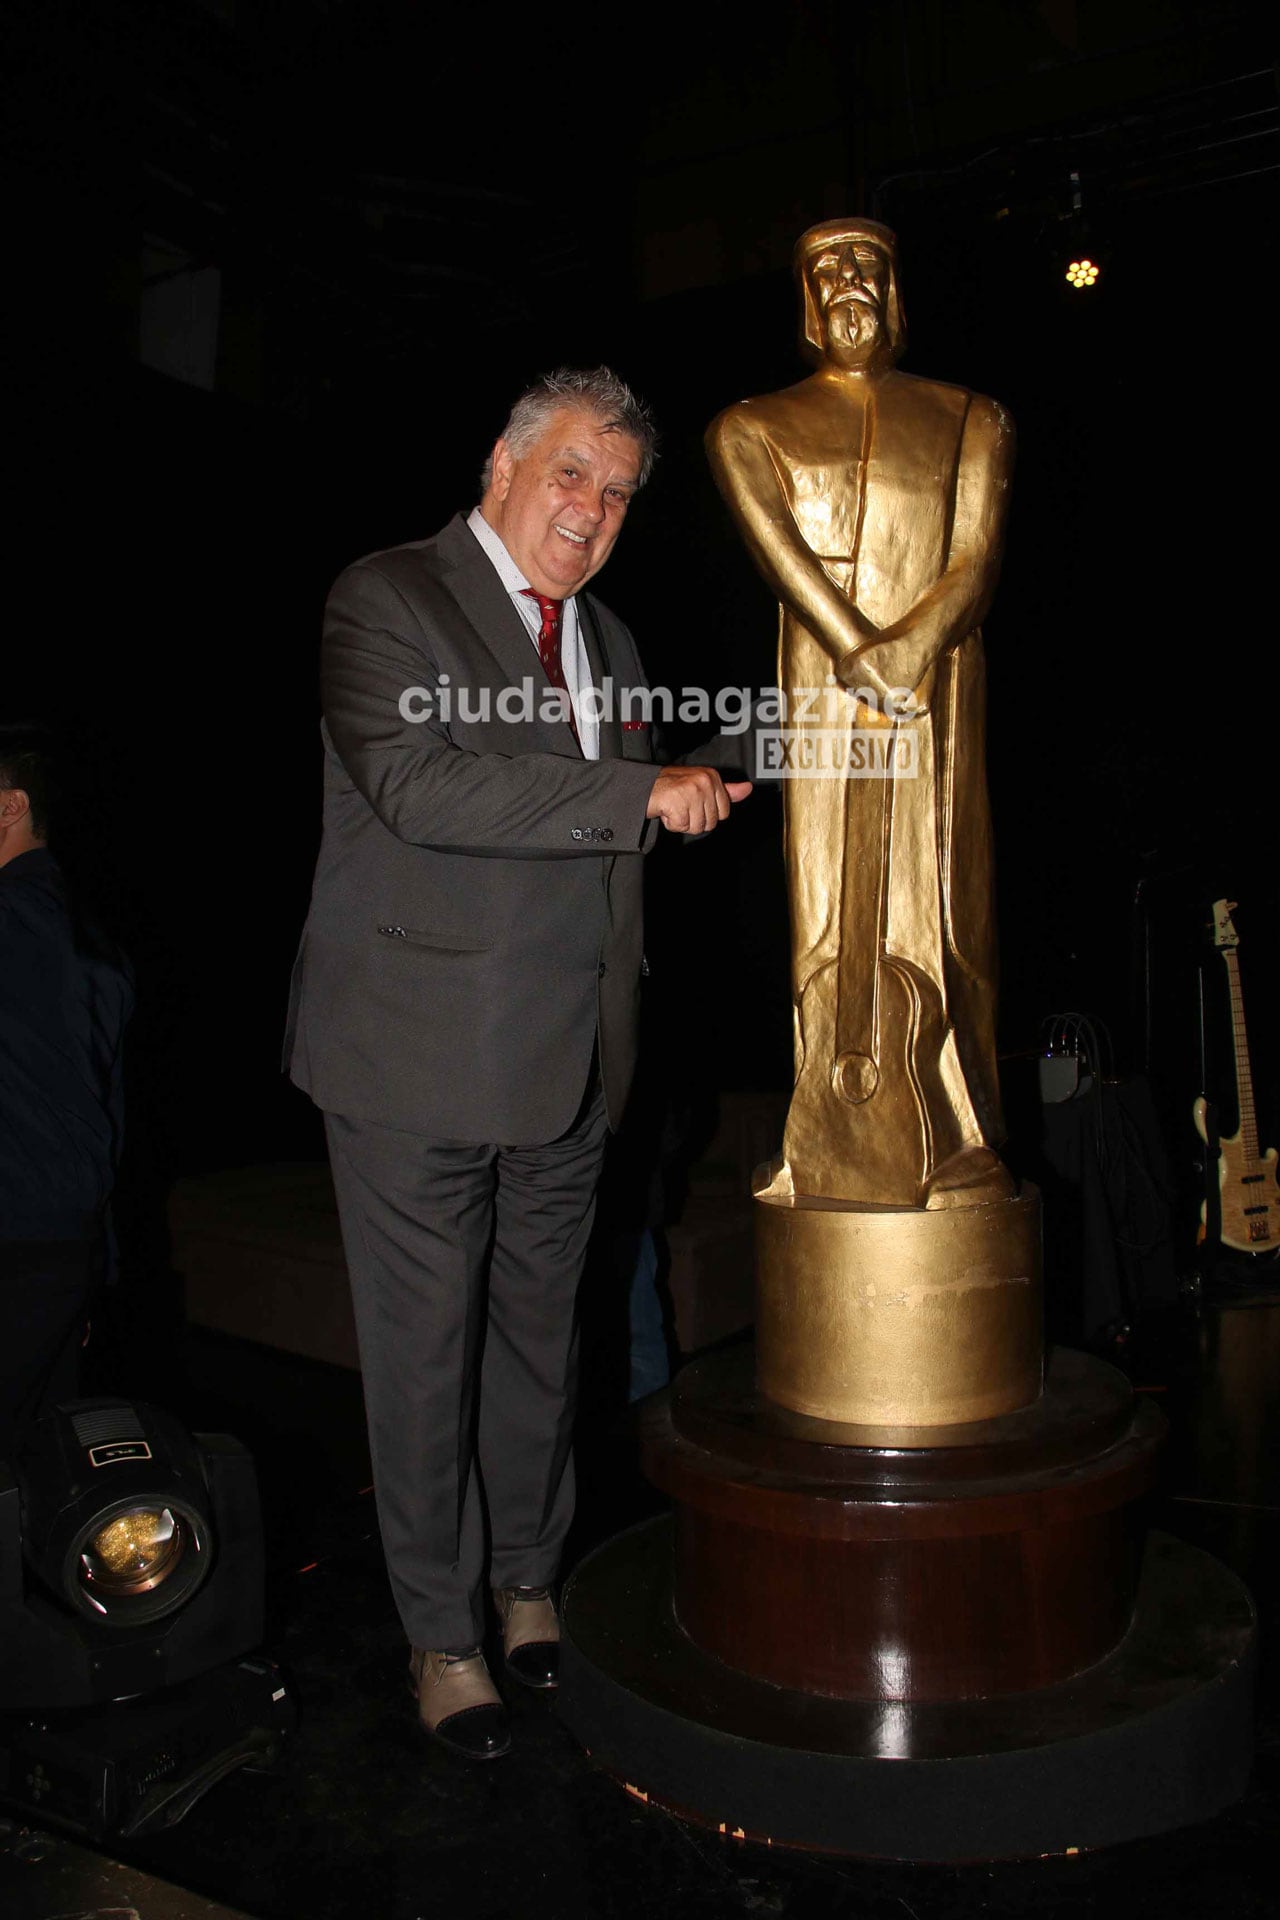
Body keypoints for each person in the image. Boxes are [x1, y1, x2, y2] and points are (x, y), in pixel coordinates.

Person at [287, 367, 751, 1760]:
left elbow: (601, 844)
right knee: (425, 1369)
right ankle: (440, 1638)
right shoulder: (385, 599)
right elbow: (425, 786)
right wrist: (633, 793)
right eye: (571, 475)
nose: (592, 511)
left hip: (572, 1067)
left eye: (616, 495)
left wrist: (716, 775)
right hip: (415, 1064)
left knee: (545, 1355)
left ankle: (528, 1584)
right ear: (501, 464)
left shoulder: (608, 638)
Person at [706, 219, 1015, 1212]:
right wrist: (858, 650)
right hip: (828, 695)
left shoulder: (972, 417)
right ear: (801, 295)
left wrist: (912, 648)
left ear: (896, 287)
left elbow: (972, 558)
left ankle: (957, 1130)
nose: (850, 283)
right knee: (826, 909)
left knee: (942, 900)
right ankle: (826, 1131)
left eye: (869, 265)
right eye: (827, 269)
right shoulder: (749, 427)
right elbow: (779, 559)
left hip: (937, 694)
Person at [0, 728, 133, 1458]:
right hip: (59, 1254)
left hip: (18, 1244)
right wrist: (95, 1268)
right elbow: (102, 1110)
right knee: (37, 1475)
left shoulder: (22, 924)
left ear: (9, 807)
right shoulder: (91, 937)